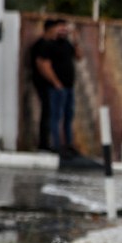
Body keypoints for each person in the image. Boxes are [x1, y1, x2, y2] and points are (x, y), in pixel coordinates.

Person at [32, 19, 82, 156]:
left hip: (68, 86)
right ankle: (56, 144)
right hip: (55, 87)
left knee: (68, 116)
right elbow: (42, 65)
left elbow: (78, 56)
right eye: (60, 28)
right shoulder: (47, 45)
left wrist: (76, 39)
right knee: (54, 116)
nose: (63, 30)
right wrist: (56, 83)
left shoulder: (66, 44)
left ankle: (68, 144)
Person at [28, 19, 60, 151]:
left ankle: (47, 143)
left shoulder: (50, 44)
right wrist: (55, 82)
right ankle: (44, 144)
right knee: (47, 113)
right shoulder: (42, 44)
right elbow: (42, 65)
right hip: (44, 84)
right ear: (50, 29)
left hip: (48, 84)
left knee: (49, 113)